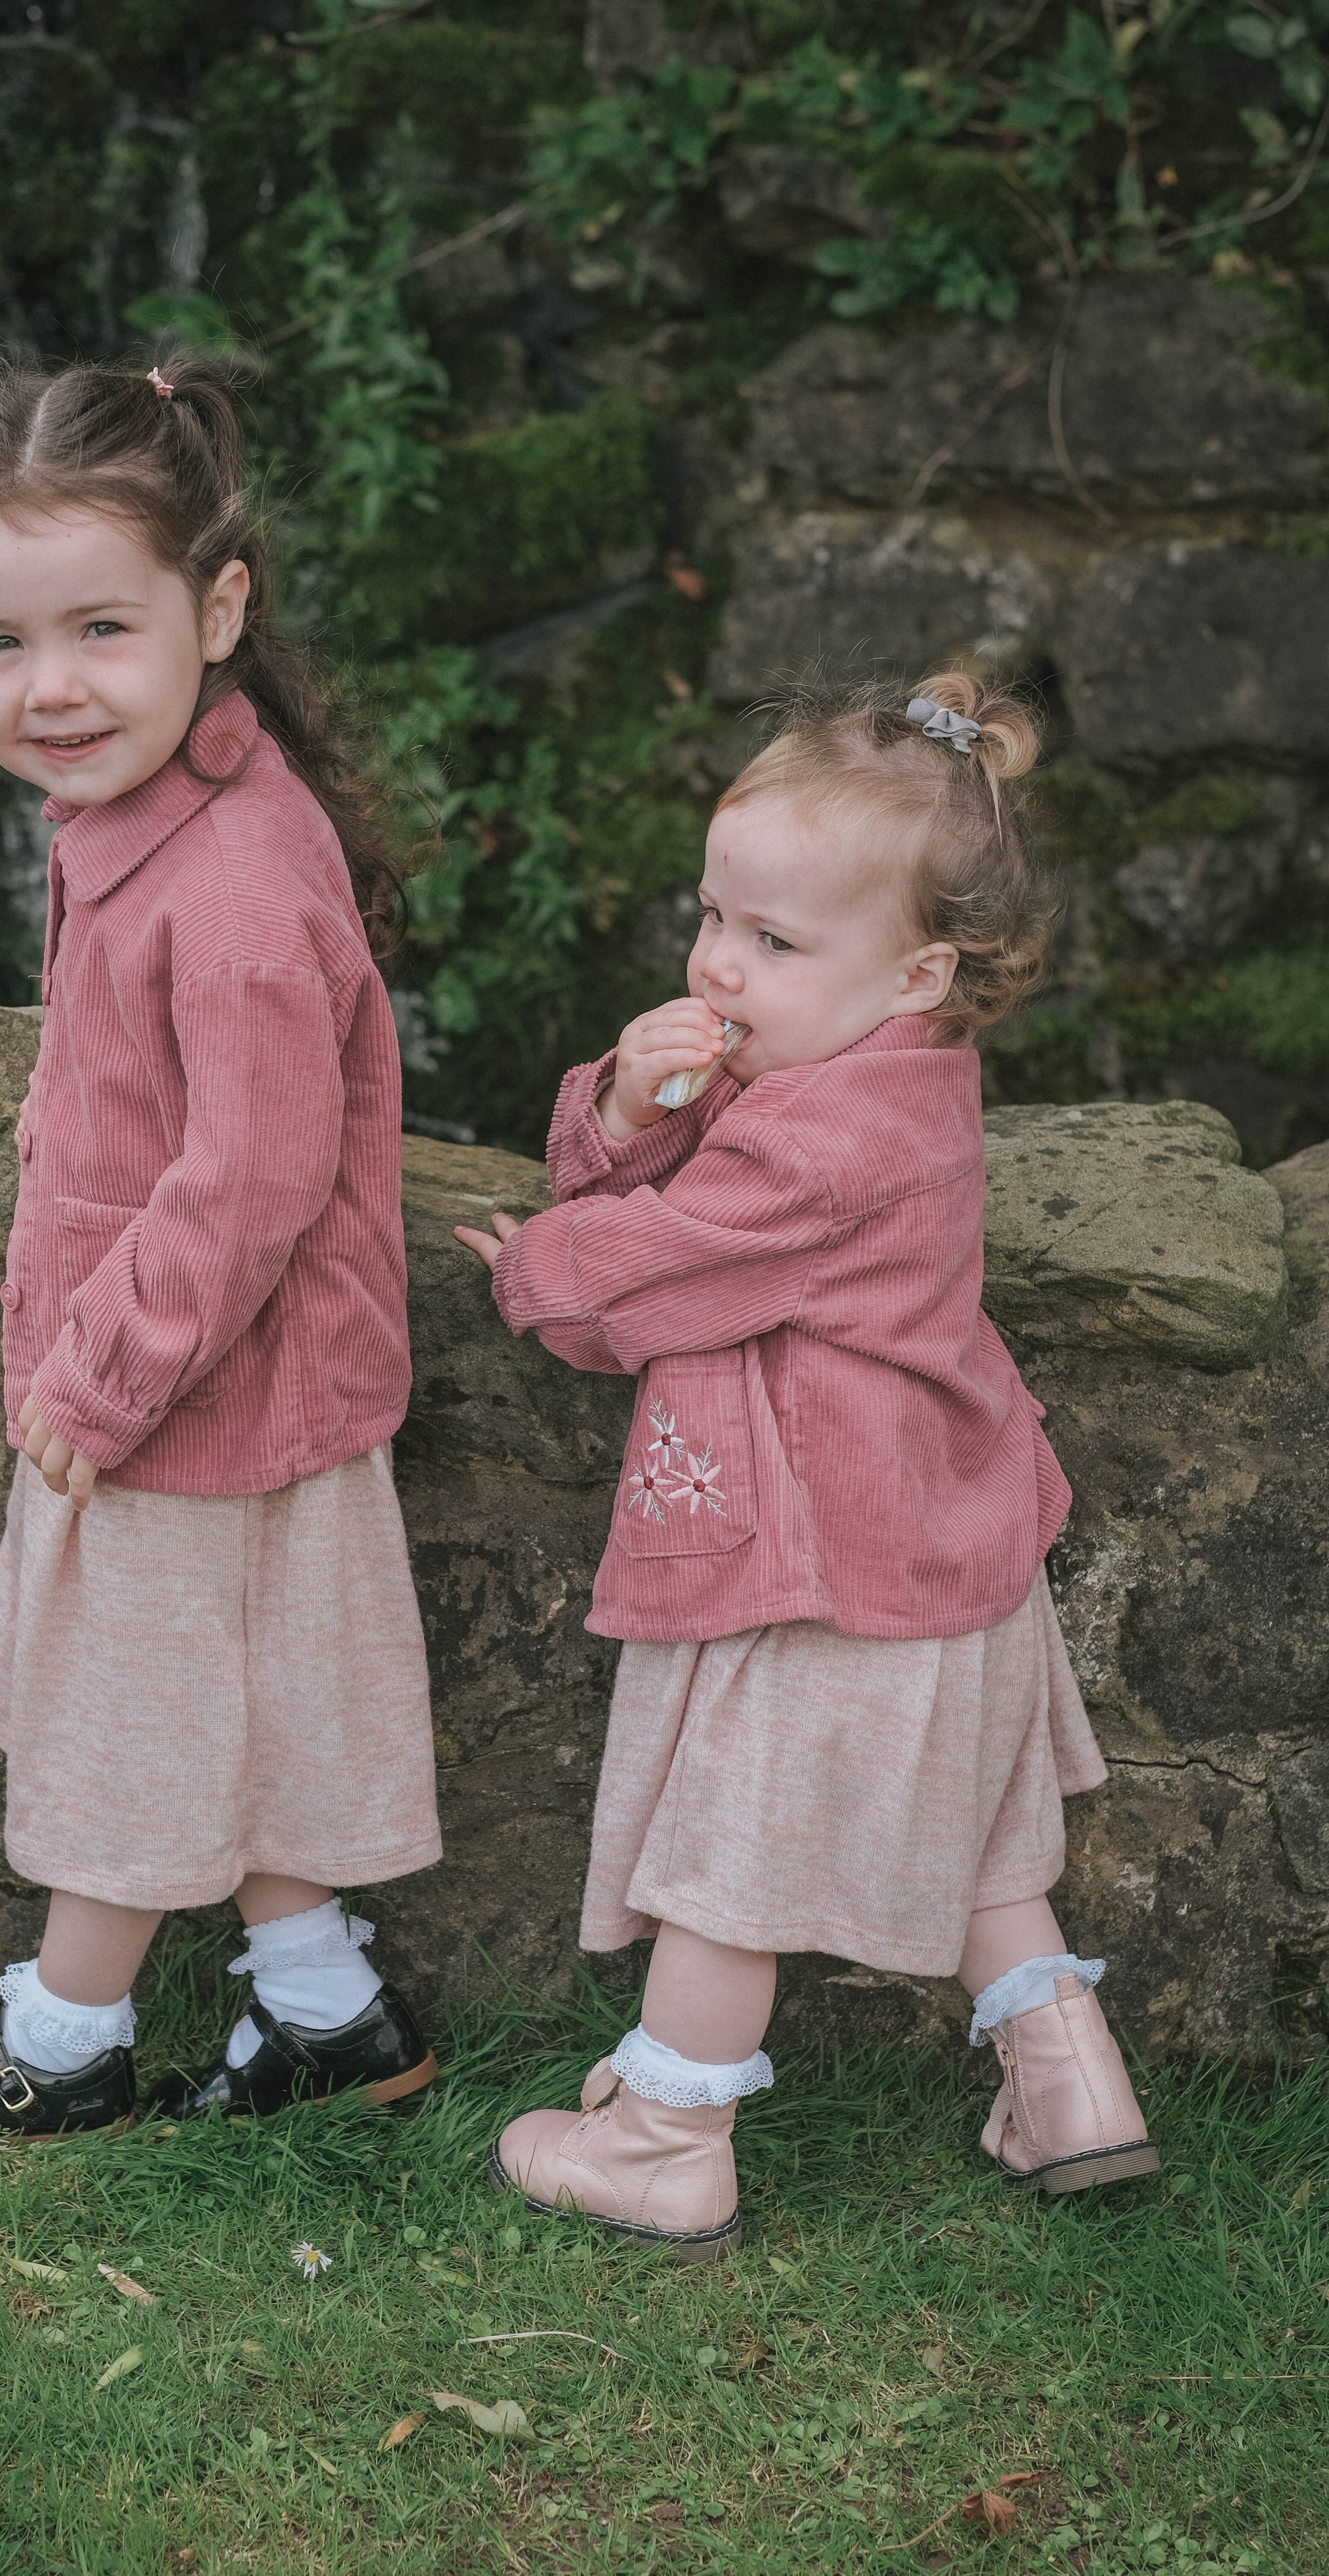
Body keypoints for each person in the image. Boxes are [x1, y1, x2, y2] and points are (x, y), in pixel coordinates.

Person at [455, 672, 1157, 2258]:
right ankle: (1067, 2090)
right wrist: (637, 1096)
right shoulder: (888, 1072)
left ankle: (662, 2140)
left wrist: (531, 1269)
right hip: (949, 1533)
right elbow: (681, 1166)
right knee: (974, 1829)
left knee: (730, 1854)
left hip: (825, 1564)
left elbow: (640, 1269)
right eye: (712, 918)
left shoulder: (814, 1143)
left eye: (773, 943)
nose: (719, 963)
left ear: (917, 969)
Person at [0, 355, 442, 2142]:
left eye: (101, 626)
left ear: (218, 604)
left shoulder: (240, 880)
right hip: (227, 1381)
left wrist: (94, 1380)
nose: (52, 687)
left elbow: (253, 1176)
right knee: (246, 1702)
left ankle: (67, 2036)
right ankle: (325, 2013)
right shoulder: (150, 809)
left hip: (185, 1382)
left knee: (129, 1727)